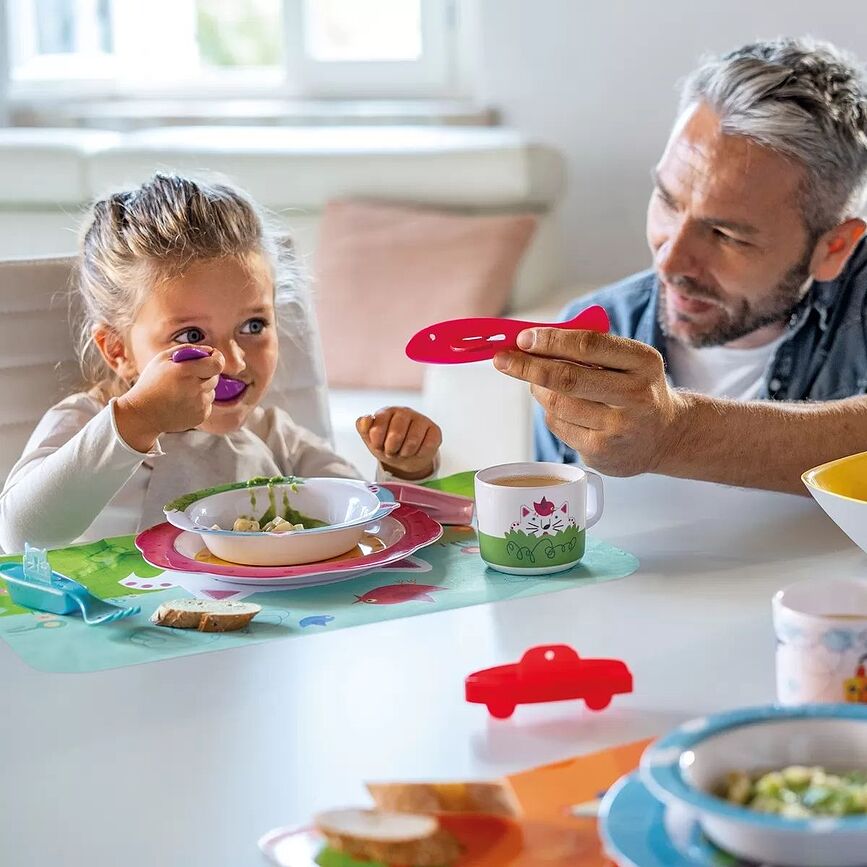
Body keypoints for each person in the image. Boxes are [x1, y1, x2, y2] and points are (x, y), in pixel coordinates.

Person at [494, 37, 867, 494]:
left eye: (726, 235)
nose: (670, 260)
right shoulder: (592, 332)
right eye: (668, 202)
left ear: (834, 248)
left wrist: (675, 433)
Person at [0, 174, 442, 552]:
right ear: (118, 351)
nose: (231, 360)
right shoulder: (85, 423)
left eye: (253, 325)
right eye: (191, 336)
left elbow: (370, 525)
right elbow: (23, 536)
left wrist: (405, 467)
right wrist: (137, 419)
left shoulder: (276, 439)